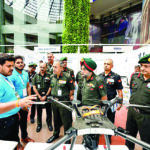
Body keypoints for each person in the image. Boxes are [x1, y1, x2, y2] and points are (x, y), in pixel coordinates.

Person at [0, 54, 36, 150]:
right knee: (8, 145)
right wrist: (18, 104)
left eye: (12, 66)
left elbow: (14, 92)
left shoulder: (6, 77)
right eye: (9, 66)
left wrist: (18, 107)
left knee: (14, 141)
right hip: (4, 122)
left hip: (12, 117)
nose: (12, 68)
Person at [80, 58, 107, 149]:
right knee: (85, 132)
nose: (81, 71)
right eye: (81, 68)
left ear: (90, 70)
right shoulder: (83, 79)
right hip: (84, 110)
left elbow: (104, 98)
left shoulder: (98, 80)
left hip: (94, 112)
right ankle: (86, 143)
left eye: (84, 69)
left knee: (93, 136)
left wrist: (102, 112)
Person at [126, 54, 150, 150]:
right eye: (141, 66)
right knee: (128, 137)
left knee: (146, 141)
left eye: (146, 66)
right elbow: (132, 90)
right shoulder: (135, 77)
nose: (142, 68)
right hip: (132, 112)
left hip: (146, 115)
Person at [47, 59, 74, 144]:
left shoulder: (67, 76)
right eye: (53, 67)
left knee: (66, 121)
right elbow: (51, 87)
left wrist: (69, 97)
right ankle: (56, 134)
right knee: (56, 119)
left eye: (56, 67)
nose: (53, 68)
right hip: (54, 101)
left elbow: (71, 89)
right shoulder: (52, 77)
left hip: (64, 102)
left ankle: (67, 138)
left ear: (61, 68)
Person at [9, 55, 35, 143]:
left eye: (21, 62)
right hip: (16, 102)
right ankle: (17, 143)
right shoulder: (11, 75)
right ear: (14, 64)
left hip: (25, 101)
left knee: (24, 121)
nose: (20, 64)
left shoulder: (25, 73)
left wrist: (29, 98)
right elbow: (12, 90)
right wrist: (20, 102)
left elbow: (28, 86)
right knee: (15, 123)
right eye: (18, 63)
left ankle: (24, 137)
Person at [99, 58, 123, 143]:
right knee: (100, 119)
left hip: (111, 103)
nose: (106, 65)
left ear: (112, 66)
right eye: (105, 63)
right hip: (101, 103)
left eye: (108, 64)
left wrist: (120, 103)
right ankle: (100, 133)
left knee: (110, 120)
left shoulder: (116, 76)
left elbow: (119, 91)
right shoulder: (99, 76)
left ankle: (108, 137)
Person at [32, 63, 53, 132]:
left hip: (47, 96)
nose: (42, 69)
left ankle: (49, 124)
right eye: (41, 67)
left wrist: (46, 96)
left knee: (49, 111)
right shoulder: (36, 76)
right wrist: (39, 96)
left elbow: (50, 86)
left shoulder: (49, 76)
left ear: (46, 67)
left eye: (43, 67)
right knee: (39, 112)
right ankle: (39, 125)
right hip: (39, 97)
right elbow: (34, 87)